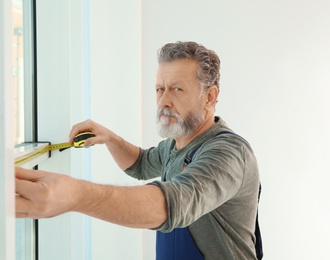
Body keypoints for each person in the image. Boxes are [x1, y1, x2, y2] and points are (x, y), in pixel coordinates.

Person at [16, 41, 261, 260]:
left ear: (210, 97)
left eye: (177, 89)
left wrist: (75, 195)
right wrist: (110, 138)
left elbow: (174, 203)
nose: (164, 101)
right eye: (159, 89)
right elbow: (142, 164)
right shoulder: (177, 143)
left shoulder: (228, 153)